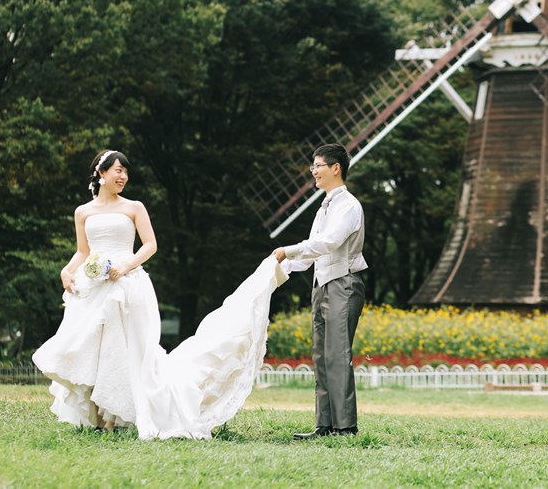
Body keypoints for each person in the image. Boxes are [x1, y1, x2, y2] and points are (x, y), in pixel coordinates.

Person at [33, 149, 288, 439]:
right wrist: (66, 271)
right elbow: (83, 251)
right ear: (101, 173)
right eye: (118, 171)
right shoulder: (83, 211)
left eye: (126, 172)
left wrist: (126, 265)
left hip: (126, 284)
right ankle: (95, 409)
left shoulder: (134, 207)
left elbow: (150, 244)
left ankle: (112, 418)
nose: (124, 177)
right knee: (93, 349)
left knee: (122, 349)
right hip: (93, 287)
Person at [274, 143, 367, 438]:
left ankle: (345, 427)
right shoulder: (324, 205)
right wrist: (278, 270)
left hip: (344, 283)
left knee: (337, 355)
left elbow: (328, 243)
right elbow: (312, 252)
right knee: (321, 356)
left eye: (318, 166)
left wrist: (286, 251)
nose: (313, 171)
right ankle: (324, 425)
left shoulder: (349, 206)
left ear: (335, 168)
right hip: (321, 283)